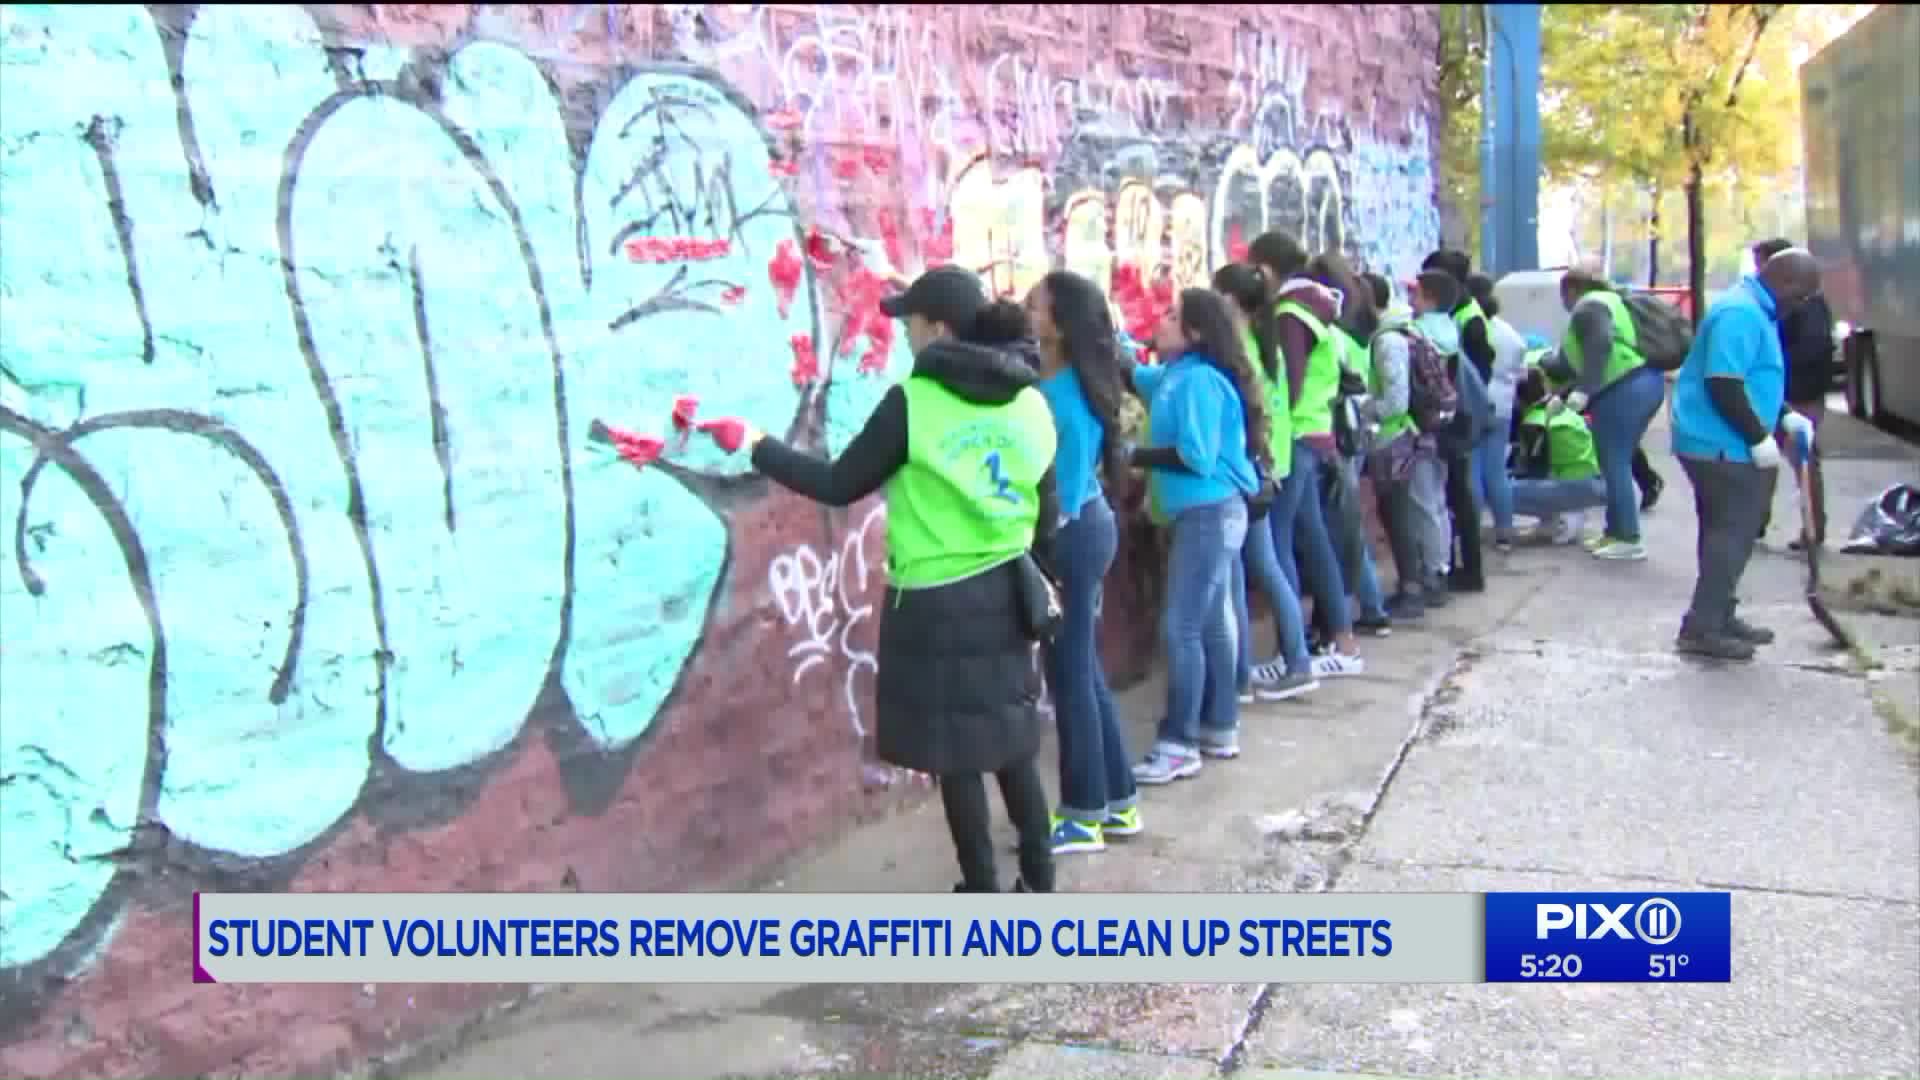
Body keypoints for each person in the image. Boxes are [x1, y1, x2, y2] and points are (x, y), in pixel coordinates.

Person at [742, 265, 1058, 892]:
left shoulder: (914, 404)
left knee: (959, 755)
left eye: (911, 323)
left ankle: (983, 894)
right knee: (1012, 736)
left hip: (937, 601)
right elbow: (1044, 508)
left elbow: (838, 484)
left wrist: (759, 446)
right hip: (1010, 588)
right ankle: (1039, 883)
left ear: (938, 329)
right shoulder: (1031, 401)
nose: (906, 336)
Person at [1128, 289, 1267, 784]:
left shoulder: (1200, 382)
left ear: (1196, 333)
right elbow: (1136, 374)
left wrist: (1134, 457)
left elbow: (1197, 455)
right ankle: (1218, 724)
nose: (1159, 322)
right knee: (1210, 622)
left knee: (1183, 626)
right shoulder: (1175, 376)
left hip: (1208, 513)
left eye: (1171, 317)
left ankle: (1178, 741)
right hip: (1205, 514)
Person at [1024, 271, 1140, 855]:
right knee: (1085, 673)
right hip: (1090, 530)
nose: (1026, 310)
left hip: (1071, 536)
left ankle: (1082, 813)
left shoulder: (1058, 400)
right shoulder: (1068, 385)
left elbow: (1061, 496)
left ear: (1061, 325)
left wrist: (1040, 557)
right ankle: (1117, 801)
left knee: (1069, 677)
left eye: (1036, 306)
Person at [1669, 248, 1822, 661]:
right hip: (1720, 443)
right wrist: (1758, 436)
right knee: (1732, 535)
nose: (1803, 305)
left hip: (1722, 440)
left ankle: (1719, 614)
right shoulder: (1741, 314)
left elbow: (1752, 377)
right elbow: (1723, 383)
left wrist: (1785, 415)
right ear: (1786, 282)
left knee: (1725, 532)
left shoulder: (1755, 308)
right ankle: (1702, 627)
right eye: (1804, 295)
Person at [1247, 231, 1365, 676]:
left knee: (1278, 547)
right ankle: (1340, 640)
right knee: (1313, 542)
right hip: (1317, 436)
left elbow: (1287, 385)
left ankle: (1291, 653)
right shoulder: (1317, 307)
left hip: (1295, 439)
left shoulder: (1291, 313)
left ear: (1268, 268)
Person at [1212, 264, 1320, 702]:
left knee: (1245, 568)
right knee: (1263, 563)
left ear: (1232, 303)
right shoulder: (1264, 343)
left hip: (1252, 468)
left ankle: (1253, 672)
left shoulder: (1241, 349)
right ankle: (1291, 660)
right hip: (1272, 465)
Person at [1305, 252, 1393, 642]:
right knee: (1347, 528)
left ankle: (1347, 618)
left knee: (1336, 532)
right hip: (1351, 433)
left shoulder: (1328, 334)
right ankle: (1366, 609)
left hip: (1331, 435)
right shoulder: (1361, 329)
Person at [1557, 260, 1669, 560]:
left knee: (1614, 462)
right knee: (1615, 460)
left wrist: (1583, 390)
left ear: (1571, 290)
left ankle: (1628, 536)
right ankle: (1615, 531)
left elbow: (1600, 345)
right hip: (1639, 384)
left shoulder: (1589, 307)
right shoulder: (1609, 301)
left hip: (1623, 387)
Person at [1360, 271, 1441, 619]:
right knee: (1398, 512)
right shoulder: (1398, 333)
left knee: (1398, 513)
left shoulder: (1387, 341)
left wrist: (1363, 404)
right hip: (1396, 437)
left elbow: (1395, 400)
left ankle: (1412, 587)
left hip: (1393, 439)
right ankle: (1417, 582)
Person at [1749, 237, 1838, 550]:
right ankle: (1760, 522)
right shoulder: (1794, 302)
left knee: (1802, 459)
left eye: (1761, 264)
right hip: (1791, 390)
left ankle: (1811, 527)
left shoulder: (1803, 303)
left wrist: (1776, 369)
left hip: (1798, 392)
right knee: (1780, 457)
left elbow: (1811, 347)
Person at [1407, 271, 1466, 600]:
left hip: (1423, 427)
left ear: (1428, 298)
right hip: (1446, 426)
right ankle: (1441, 563)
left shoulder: (1420, 333)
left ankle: (1432, 571)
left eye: (1416, 294)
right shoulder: (1450, 328)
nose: (1410, 301)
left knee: (1424, 502)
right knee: (1438, 503)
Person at [1510, 366, 1607, 544]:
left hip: (1572, 486)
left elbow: (1534, 470)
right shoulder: (1560, 408)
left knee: (1503, 491)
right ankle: (1553, 518)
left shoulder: (1534, 422)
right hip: (1593, 479)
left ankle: (1566, 514)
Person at [1467, 273, 1528, 551]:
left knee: (1473, 472)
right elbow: (1522, 373)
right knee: (1496, 472)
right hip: (1503, 406)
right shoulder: (1510, 334)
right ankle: (1505, 530)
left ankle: (1472, 531)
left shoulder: (1469, 326)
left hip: (1475, 405)